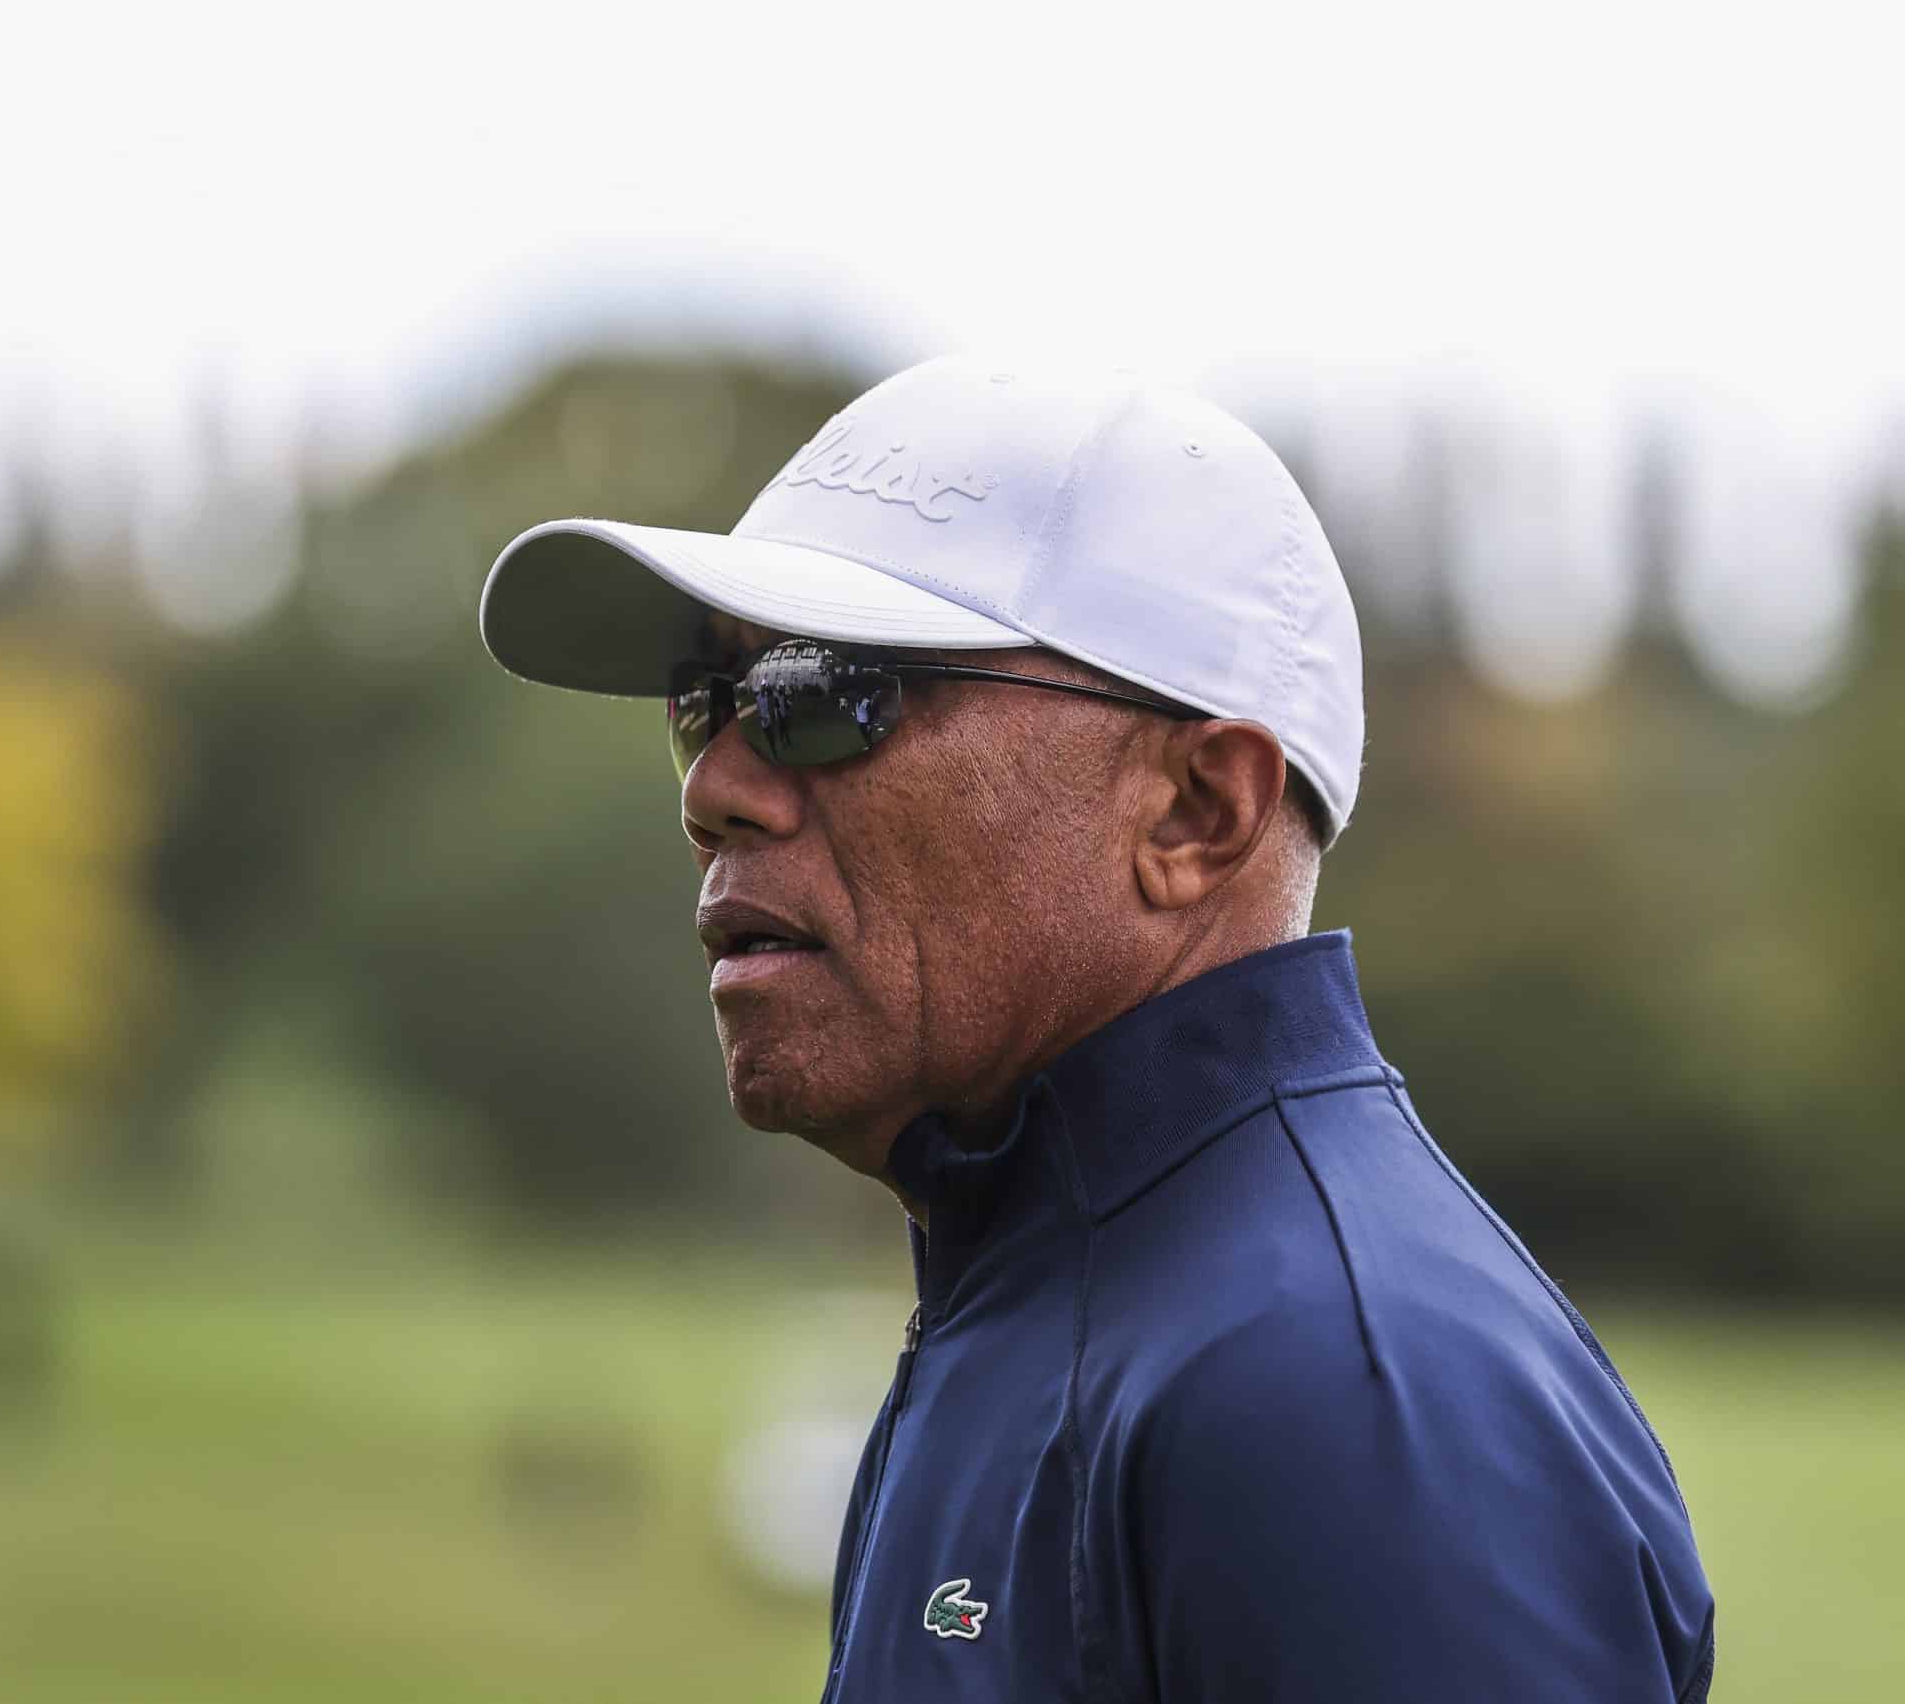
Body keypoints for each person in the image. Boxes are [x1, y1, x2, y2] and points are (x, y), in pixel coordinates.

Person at [475, 356, 1715, 1701]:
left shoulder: (1344, 1393)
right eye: (706, 705)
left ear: (1195, 812)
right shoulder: (1044, 1283)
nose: (716, 787)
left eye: (821, 693)